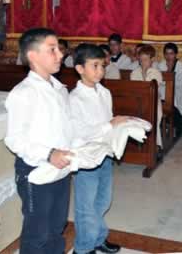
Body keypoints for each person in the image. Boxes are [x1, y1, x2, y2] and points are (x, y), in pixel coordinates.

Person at [4, 28, 73, 253]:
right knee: (38, 232)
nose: (60, 54)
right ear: (32, 55)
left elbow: (65, 128)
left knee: (56, 226)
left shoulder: (59, 89)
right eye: (52, 50)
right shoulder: (23, 93)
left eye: (59, 49)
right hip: (36, 170)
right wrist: (49, 153)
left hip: (61, 169)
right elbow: (14, 140)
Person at [69, 43, 127, 254]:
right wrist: (110, 125)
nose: (100, 71)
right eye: (94, 66)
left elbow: (108, 121)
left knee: (103, 201)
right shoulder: (75, 98)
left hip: (105, 154)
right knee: (85, 206)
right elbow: (80, 132)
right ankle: (83, 248)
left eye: (102, 66)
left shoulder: (104, 92)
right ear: (80, 68)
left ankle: (97, 238)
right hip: (86, 157)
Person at [130, 45, 164, 148]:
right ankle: (137, 143)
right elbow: (134, 88)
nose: (142, 62)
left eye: (145, 59)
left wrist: (145, 73)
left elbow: (151, 88)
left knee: (154, 116)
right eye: (140, 60)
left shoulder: (156, 73)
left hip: (153, 102)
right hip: (138, 101)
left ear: (152, 60)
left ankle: (155, 145)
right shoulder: (135, 72)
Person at [157, 43, 182, 138]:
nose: (169, 56)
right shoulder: (160, 65)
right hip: (165, 91)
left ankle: (179, 125)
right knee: (162, 92)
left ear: (176, 54)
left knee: (171, 95)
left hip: (180, 92)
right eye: (166, 54)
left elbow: (181, 84)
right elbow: (159, 81)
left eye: (171, 53)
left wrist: (169, 73)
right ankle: (163, 123)